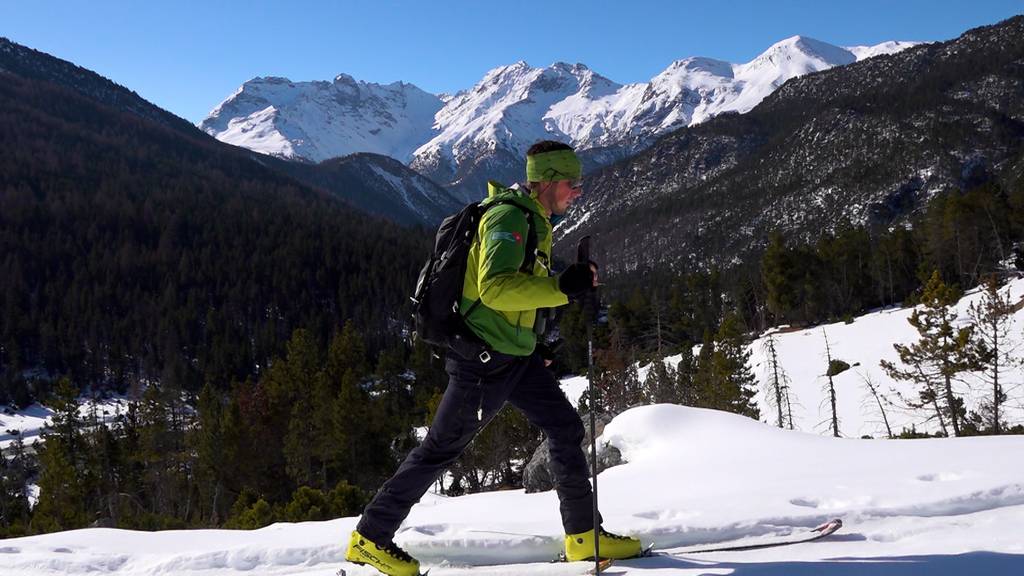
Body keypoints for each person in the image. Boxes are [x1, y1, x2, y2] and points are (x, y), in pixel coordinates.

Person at [345, 141, 641, 576]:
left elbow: (520, 299)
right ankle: (369, 538)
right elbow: (496, 288)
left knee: (565, 427)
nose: (578, 191)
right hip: (482, 362)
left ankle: (583, 536)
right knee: (440, 449)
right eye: (571, 183)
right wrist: (564, 286)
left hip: (514, 356)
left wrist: (537, 340)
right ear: (546, 182)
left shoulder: (536, 217)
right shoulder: (508, 217)